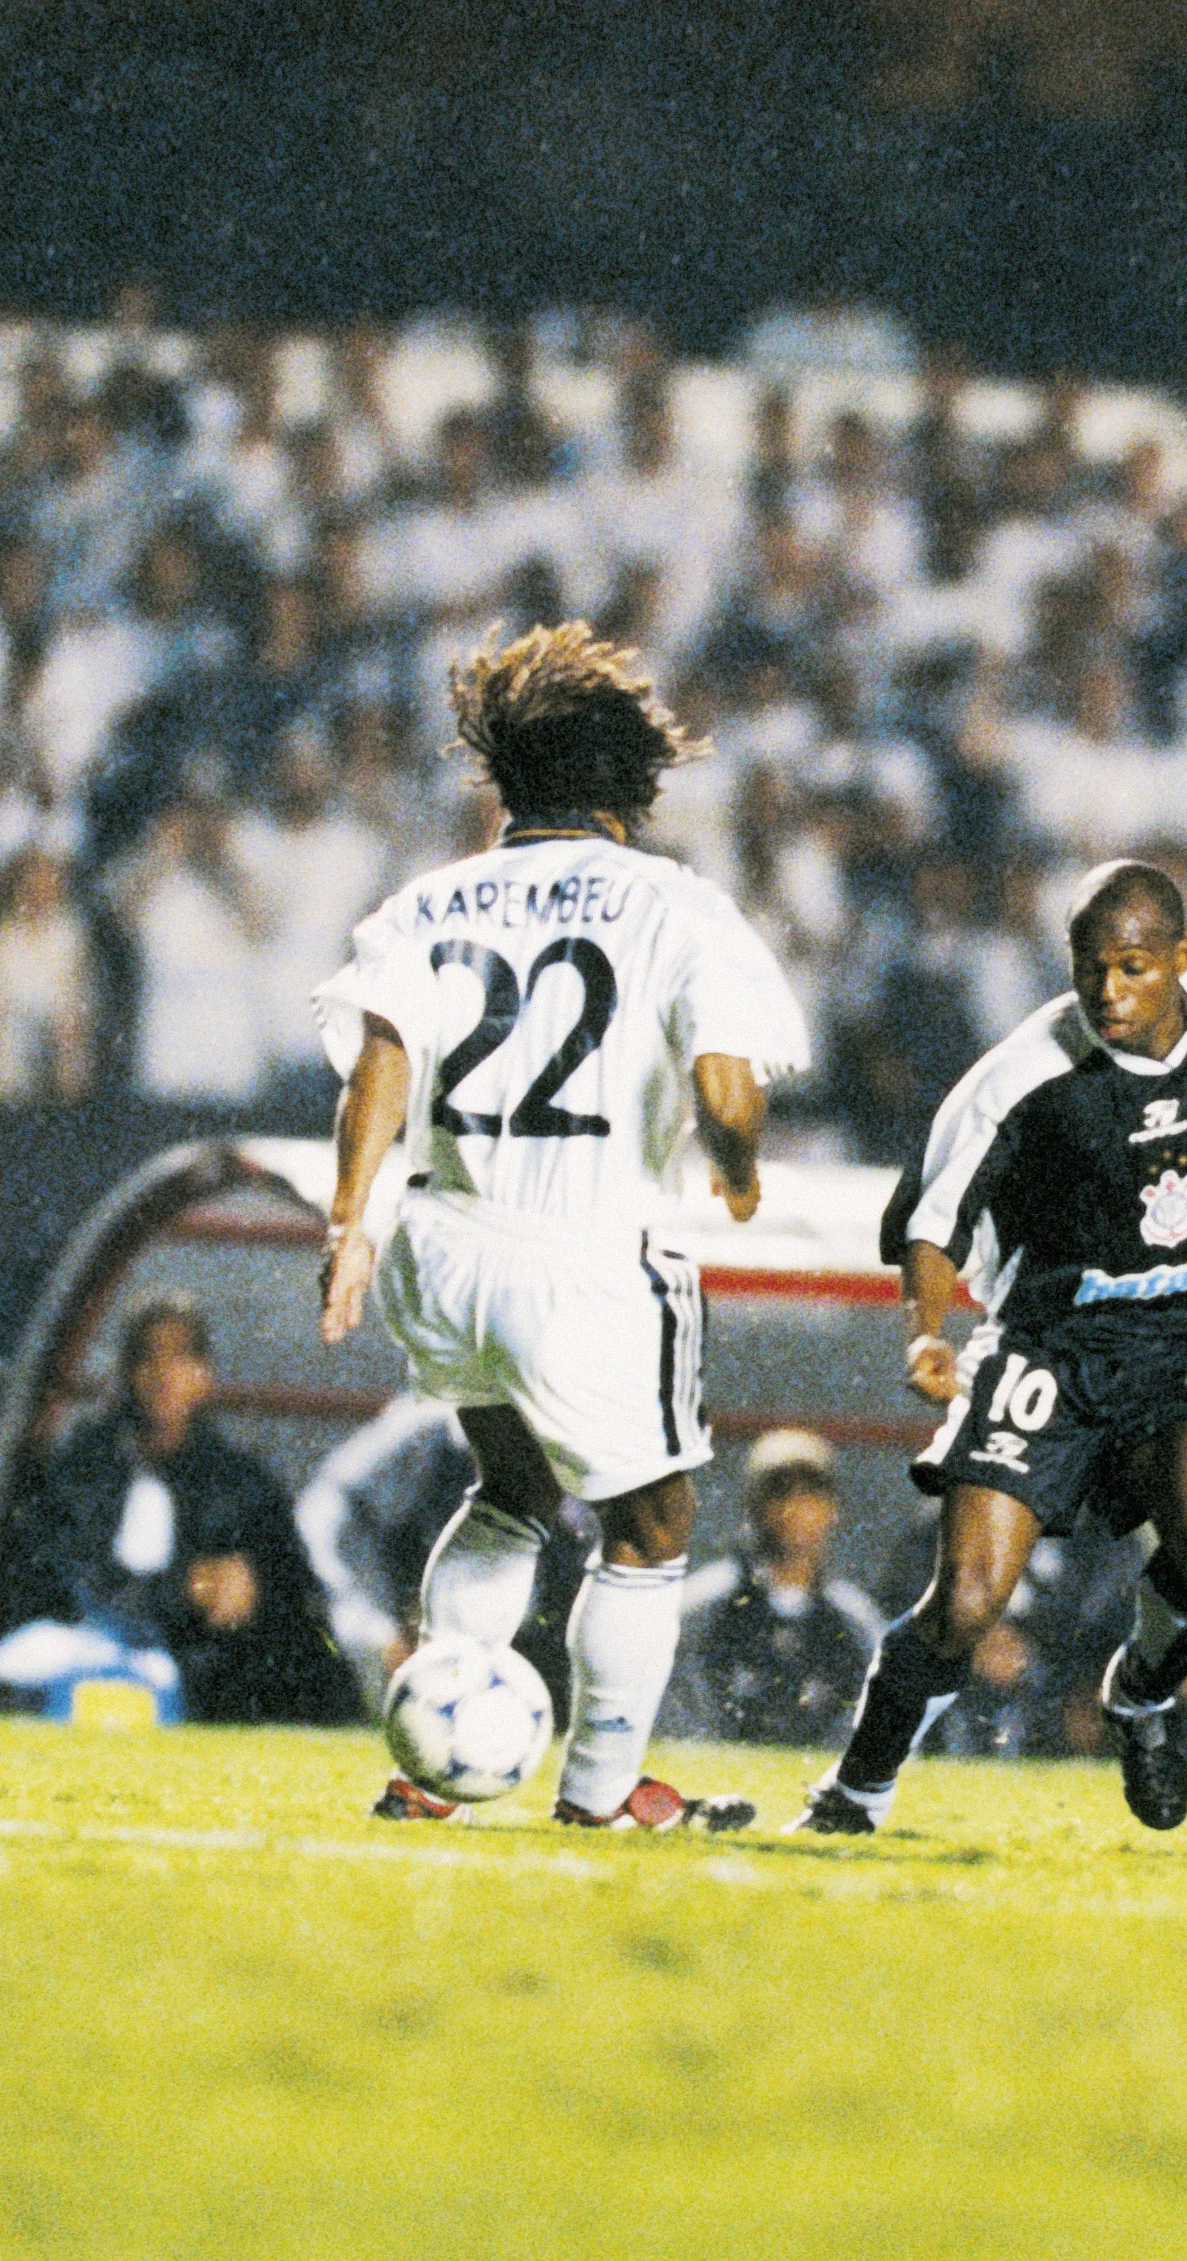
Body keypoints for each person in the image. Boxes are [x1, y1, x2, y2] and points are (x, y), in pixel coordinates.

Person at [315, 622, 810, 1831]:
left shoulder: (425, 902)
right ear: (630, 783)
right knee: (649, 1524)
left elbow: (379, 1059)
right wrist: (737, 1164)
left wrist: (348, 1225)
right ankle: (601, 1794)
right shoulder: (678, 906)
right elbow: (726, 1084)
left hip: (445, 1244)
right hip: (586, 1254)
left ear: (507, 776)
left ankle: (423, 1774)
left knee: (510, 1486)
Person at [796, 859, 1187, 1835]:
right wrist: (925, 1335)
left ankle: (1142, 1697)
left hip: (1181, 1336)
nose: (1106, 991)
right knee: (968, 1602)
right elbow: (930, 1222)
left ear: (1182, 962)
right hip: (1050, 1349)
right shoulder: (1025, 1075)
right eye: (1087, 968)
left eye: (1132, 967)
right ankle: (854, 1789)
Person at [4, 1295, 357, 1726]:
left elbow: (292, 1580)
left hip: (200, 1658)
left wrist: (250, 1585)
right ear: (128, 1373)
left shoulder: (238, 1477)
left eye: (181, 1357)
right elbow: (64, 1576)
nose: (164, 1374)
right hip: (89, 1644)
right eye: (149, 1357)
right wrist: (181, 1590)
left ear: (203, 1375)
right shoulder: (84, 1465)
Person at [297, 1392, 592, 1705]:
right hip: (391, 1612)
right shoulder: (425, 1428)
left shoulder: (577, 1441)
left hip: (514, 1637)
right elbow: (323, 1511)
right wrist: (378, 1629)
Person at [670, 1430, 886, 1747]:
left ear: (832, 1509)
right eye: (780, 1492)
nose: (795, 1508)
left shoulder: (855, 1622)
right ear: (754, 1505)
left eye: (811, 1493)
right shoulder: (702, 1608)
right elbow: (677, 1721)